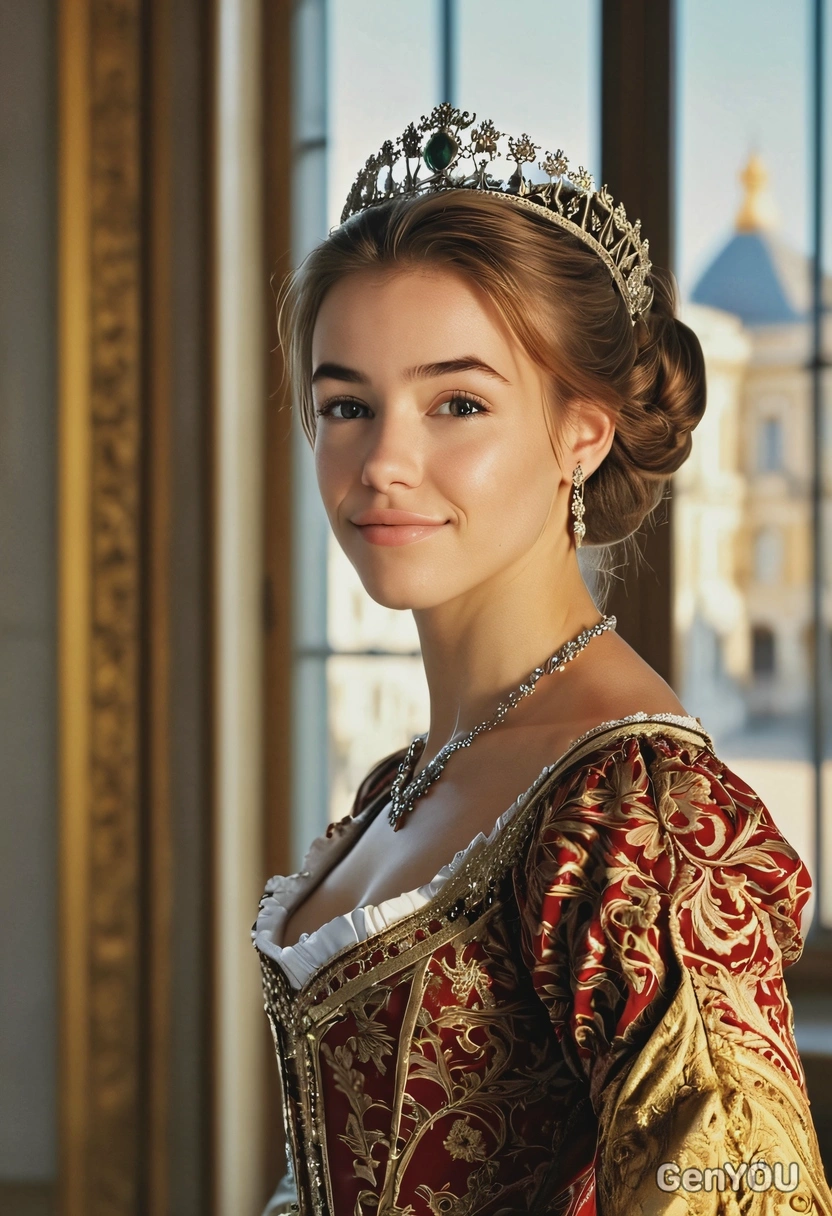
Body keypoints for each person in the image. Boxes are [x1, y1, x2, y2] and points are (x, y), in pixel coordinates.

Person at [251, 106, 832, 1215]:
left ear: (584, 429)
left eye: (456, 402)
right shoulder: (410, 778)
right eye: (345, 405)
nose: (381, 462)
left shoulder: (639, 815)